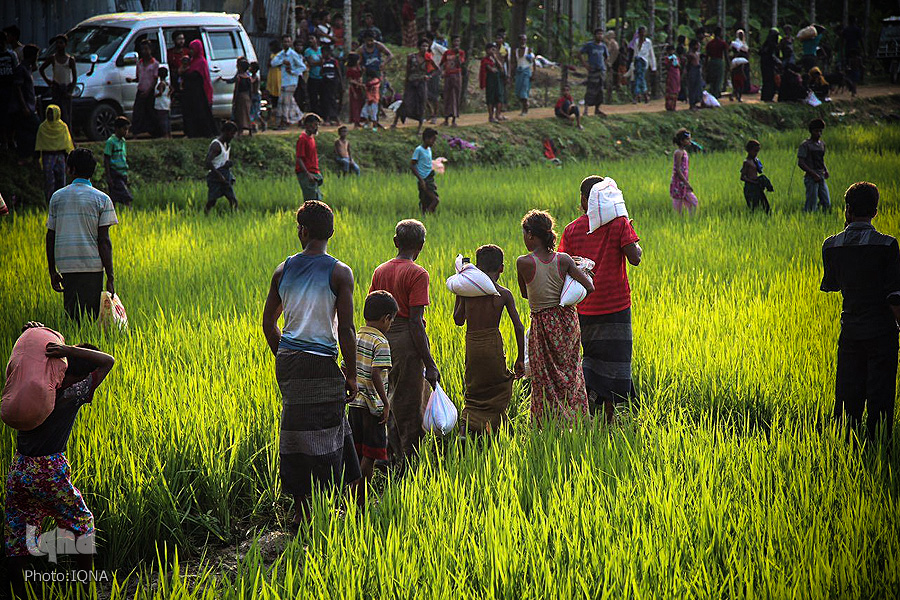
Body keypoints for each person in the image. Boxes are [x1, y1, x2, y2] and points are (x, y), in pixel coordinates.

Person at [261, 200, 361, 528]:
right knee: (327, 429)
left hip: (289, 361)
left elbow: (268, 323)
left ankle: (302, 508)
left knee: (296, 431)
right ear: (330, 232)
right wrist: (351, 372)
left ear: (303, 231)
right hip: (322, 362)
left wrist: (286, 355)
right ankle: (329, 504)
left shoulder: (283, 269)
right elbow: (346, 328)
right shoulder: (339, 272)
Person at [4, 326, 115, 598]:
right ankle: (86, 588)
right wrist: (67, 349)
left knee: (19, 530)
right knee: (81, 521)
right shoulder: (73, 393)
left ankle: (16, 591)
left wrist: (30, 336)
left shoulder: (33, 387)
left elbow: (27, 357)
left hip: (19, 470)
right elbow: (108, 361)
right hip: (48, 471)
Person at [559, 177, 643, 423]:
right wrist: (631, 232)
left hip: (584, 306)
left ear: (585, 201)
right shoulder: (619, 224)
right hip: (615, 305)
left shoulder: (572, 229)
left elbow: (564, 266)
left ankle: (588, 409)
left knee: (590, 356)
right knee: (615, 358)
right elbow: (635, 258)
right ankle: (609, 416)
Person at [821, 182, 900, 443]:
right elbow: (894, 297)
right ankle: (879, 448)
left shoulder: (831, 246)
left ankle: (845, 448)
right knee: (881, 395)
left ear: (848, 210)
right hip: (882, 332)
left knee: (847, 395)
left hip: (851, 331)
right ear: (876, 212)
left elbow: (831, 284)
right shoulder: (887, 245)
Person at [369, 219, 440, 465]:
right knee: (409, 403)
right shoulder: (418, 273)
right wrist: (429, 362)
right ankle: (408, 461)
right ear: (421, 245)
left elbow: (372, 309)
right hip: (407, 342)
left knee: (388, 397)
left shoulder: (380, 270)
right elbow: (415, 322)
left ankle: (388, 454)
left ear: (395, 242)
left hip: (383, 338)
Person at [516, 210, 594, 422]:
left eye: (524, 234)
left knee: (544, 376)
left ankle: (548, 423)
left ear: (531, 235)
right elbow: (589, 286)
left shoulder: (523, 262)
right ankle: (575, 419)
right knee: (571, 371)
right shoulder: (564, 260)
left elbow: (525, 293)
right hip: (567, 321)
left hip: (543, 322)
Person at [453, 245, 525, 436]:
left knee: (473, 389)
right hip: (493, 344)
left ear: (476, 266)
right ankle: (495, 429)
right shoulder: (504, 293)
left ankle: (465, 430)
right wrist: (520, 357)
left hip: (473, 345)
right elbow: (519, 326)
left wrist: (461, 292)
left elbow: (458, 320)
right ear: (501, 268)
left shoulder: (467, 293)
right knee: (499, 385)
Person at [46, 148, 118, 319]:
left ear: (70, 169)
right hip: (92, 265)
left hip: (66, 266)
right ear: (92, 170)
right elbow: (104, 241)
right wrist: (110, 276)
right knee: (92, 316)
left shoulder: (57, 197)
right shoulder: (102, 199)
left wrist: (52, 270)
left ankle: (72, 344)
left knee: (72, 316)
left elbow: (50, 236)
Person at [349, 290, 397, 500]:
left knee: (357, 452)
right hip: (373, 407)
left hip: (355, 405)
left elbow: (345, 367)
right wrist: (386, 404)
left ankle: (350, 494)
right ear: (386, 318)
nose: (391, 325)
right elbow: (376, 372)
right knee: (371, 454)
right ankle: (361, 497)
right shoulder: (381, 342)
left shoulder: (355, 337)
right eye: (391, 320)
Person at [35, 104, 74, 203]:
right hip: (47, 156)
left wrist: (68, 160)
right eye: (48, 113)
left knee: (61, 180)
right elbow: (39, 144)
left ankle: (62, 201)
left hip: (60, 156)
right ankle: (50, 201)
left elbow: (67, 144)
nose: (50, 116)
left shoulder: (63, 127)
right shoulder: (43, 128)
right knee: (49, 181)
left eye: (52, 113)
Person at [180, 40, 217, 138]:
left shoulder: (201, 62)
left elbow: (199, 77)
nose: (191, 51)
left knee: (202, 113)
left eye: (192, 49)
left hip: (200, 94)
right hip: (192, 94)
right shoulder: (192, 61)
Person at [393, 38, 431, 134]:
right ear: (419, 47)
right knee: (406, 102)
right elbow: (408, 71)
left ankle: (419, 128)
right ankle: (395, 122)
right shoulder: (411, 57)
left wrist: (429, 76)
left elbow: (436, 68)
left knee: (421, 104)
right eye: (423, 46)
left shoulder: (428, 58)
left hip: (421, 83)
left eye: (427, 46)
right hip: (411, 82)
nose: (425, 48)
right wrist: (406, 84)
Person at [270, 35, 306, 129]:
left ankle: (284, 122)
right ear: (282, 43)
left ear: (290, 43)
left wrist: (293, 71)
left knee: (283, 102)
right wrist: (282, 61)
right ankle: (300, 118)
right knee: (290, 102)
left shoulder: (293, 54)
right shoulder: (281, 54)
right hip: (283, 81)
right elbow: (273, 63)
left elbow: (303, 67)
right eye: (284, 42)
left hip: (292, 81)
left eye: (288, 42)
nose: (286, 43)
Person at [39, 35, 77, 124]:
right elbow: (41, 69)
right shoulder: (53, 58)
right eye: (57, 43)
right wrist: (48, 82)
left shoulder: (70, 59)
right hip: (56, 88)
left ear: (65, 44)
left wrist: (70, 91)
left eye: (61, 43)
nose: (59, 45)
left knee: (67, 115)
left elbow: (74, 78)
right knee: (56, 113)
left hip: (66, 88)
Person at [126, 39, 160, 137]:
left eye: (146, 49)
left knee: (151, 113)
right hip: (141, 90)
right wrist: (131, 80)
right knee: (137, 113)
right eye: (142, 49)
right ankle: (136, 133)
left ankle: (155, 132)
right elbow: (138, 78)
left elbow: (154, 80)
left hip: (149, 92)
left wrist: (148, 91)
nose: (144, 52)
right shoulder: (140, 63)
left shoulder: (155, 63)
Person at [12, 44, 39, 165]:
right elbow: (17, 89)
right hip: (24, 107)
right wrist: (24, 107)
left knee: (29, 131)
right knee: (27, 131)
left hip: (30, 106)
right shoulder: (21, 69)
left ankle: (31, 156)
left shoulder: (28, 68)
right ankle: (24, 156)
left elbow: (35, 68)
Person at [205, 121, 239, 214]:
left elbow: (221, 161)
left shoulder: (226, 144)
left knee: (233, 200)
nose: (233, 136)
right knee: (212, 201)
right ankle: (205, 216)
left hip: (224, 175)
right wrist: (219, 175)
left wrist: (228, 167)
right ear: (226, 132)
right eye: (232, 134)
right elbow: (208, 162)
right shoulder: (216, 145)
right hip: (215, 176)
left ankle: (235, 218)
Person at [797, 118, 830, 213]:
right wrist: (813, 174)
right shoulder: (805, 145)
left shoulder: (822, 144)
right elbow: (801, 163)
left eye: (820, 131)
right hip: (811, 178)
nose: (819, 133)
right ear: (811, 131)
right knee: (811, 204)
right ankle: (807, 219)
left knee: (826, 202)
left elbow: (821, 160)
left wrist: (825, 170)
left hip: (821, 176)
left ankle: (821, 219)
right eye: (816, 131)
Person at [104, 117, 133, 207]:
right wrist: (108, 176)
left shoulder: (123, 141)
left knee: (114, 197)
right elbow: (106, 159)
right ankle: (130, 212)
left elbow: (123, 156)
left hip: (122, 172)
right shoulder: (111, 142)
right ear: (117, 129)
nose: (126, 132)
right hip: (115, 173)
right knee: (126, 196)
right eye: (124, 129)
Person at [220, 57, 253, 136]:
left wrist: (234, 100)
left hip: (240, 97)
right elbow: (250, 90)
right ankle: (250, 129)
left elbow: (236, 89)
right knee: (247, 114)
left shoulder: (239, 77)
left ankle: (240, 131)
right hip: (247, 97)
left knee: (239, 114)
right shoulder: (249, 77)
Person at [580, 28, 610, 116]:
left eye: (601, 34)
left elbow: (606, 57)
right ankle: (586, 109)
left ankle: (597, 109)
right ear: (595, 35)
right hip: (593, 70)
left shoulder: (603, 46)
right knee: (590, 89)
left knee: (600, 90)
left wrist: (604, 66)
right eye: (598, 34)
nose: (600, 36)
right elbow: (579, 53)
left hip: (601, 71)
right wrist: (585, 65)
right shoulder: (590, 45)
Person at [670, 128, 699, 214]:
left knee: (693, 202)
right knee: (678, 207)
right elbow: (678, 169)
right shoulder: (678, 152)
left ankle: (691, 221)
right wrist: (687, 183)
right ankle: (678, 222)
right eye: (688, 139)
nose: (690, 141)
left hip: (683, 183)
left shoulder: (684, 152)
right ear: (682, 141)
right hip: (679, 183)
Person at [740, 139, 773, 214]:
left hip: (757, 187)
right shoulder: (746, 162)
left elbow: (759, 171)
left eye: (757, 151)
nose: (756, 153)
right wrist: (754, 182)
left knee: (765, 207)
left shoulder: (755, 160)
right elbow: (742, 177)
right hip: (750, 188)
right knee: (754, 208)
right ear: (749, 150)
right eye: (755, 151)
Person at [440, 35, 466, 127]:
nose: (456, 43)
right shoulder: (447, 53)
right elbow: (442, 63)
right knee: (447, 96)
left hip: (456, 76)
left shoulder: (461, 52)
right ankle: (446, 119)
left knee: (455, 96)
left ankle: (454, 119)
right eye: (455, 41)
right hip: (448, 76)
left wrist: (458, 55)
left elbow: (460, 63)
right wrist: (442, 71)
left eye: (458, 41)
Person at [296, 113, 323, 201]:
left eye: (317, 125)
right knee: (311, 202)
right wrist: (308, 174)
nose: (316, 127)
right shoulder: (303, 139)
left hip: (313, 172)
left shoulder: (311, 138)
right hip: (307, 174)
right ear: (307, 125)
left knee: (317, 200)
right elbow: (299, 158)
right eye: (315, 125)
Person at [411, 128, 439, 213]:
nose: (433, 142)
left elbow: (428, 165)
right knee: (435, 200)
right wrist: (421, 180)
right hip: (423, 179)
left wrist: (433, 182)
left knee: (426, 200)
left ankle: (426, 217)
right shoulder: (419, 150)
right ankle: (428, 214)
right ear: (426, 138)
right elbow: (412, 165)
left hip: (429, 177)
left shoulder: (429, 149)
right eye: (432, 140)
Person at [479, 43, 505, 123]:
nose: (493, 51)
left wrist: (495, 58)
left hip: (497, 80)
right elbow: (490, 69)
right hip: (490, 81)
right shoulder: (485, 60)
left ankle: (498, 114)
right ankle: (491, 116)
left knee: (499, 96)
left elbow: (501, 67)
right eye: (491, 49)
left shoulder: (495, 59)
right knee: (490, 98)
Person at [513, 33, 535, 116]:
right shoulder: (516, 51)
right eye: (522, 39)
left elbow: (533, 62)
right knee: (518, 91)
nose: (523, 41)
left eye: (524, 40)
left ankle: (525, 109)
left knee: (524, 90)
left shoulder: (528, 50)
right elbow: (516, 62)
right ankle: (524, 105)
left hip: (526, 72)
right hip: (519, 71)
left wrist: (533, 73)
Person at [320, 45, 342, 126]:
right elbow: (321, 72)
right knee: (326, 101)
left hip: (333, 83)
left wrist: (340, 83)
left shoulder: (334, 61)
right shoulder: (323, 62)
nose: (323, 54)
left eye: (324, 52)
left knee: (332, 100)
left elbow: (338, 72)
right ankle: (327, 118)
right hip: (325, 83)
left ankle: (336, 118)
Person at [705, 27, 728, 99]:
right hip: (719, 61)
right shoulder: (722, 43)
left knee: (712, 79)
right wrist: (728, 64)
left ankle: (712, 93)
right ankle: (716, 94)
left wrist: (705, 65)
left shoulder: (709, 44)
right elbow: (726, 55)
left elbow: (707, 55)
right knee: (718, 79)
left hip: (711, 61)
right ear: (720, 33)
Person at [304, 36, 324, 118]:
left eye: (312, 38)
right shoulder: (308, 51)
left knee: (323, 97)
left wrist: (318, 62)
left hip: (322, 77)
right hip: (313, 77)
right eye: (309, 39)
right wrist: (320, 62)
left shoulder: (321, 50)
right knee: (313, 97)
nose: (310, 40)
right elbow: (311, 63)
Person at [759, 28, 780, 103]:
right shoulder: (772, 45)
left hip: (764, 66)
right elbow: (772, 56)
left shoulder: (765, 44)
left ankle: (765, 97)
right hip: (770, 66)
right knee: (770, 82)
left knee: (766, 81)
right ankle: (768, 97)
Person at [265, 39, 282, 122]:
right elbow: (268, 64)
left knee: (277, 96)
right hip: (271, 76)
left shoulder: (281, 55)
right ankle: (271, 116)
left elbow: (273, 63)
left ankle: (277, 116)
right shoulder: (272, 54)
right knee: (270, 96)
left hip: (278, 76)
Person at [346, 53, 364, 128]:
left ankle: (359, 120)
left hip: (359, 88)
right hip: (354, 89)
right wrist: (358, 85)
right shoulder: (350, 70)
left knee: (360, 105)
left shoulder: (358, 68)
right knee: (355, 106)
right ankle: (355, 121)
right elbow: (350, 81)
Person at [155, 66, 172, 138]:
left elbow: (160, 92)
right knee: (167, 119)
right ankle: (169, 134)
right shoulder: (167, 83)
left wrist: (156, 95)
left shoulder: (161, 84)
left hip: (161, 103)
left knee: (162, 120)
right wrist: (168, 94)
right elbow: (172, 89)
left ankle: (165, 134)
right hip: (167, 102)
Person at [686, 39, 703, 110]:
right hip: (693, 69)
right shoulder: (690, 54)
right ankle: (692, 104)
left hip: (697, 69)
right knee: (692, 87)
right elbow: (688, 64)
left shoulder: (697, 53)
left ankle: (696, 102)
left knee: (697, 86)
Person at [663, 44, 680, 111]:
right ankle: (669, 106)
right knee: (670, 90)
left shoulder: (676, 58)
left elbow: (678, 66)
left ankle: (673, 106)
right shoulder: (667, 58)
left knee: (675, 90)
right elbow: (667, 67)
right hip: (670, 75)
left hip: (676, 75)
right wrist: (670, 62)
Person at [248, 61, 261, 132]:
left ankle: (254, 126)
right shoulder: (252, 76)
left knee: (254, 113)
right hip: (252, 96)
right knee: (253, 113)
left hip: (255, 97)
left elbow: (251, 81)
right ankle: (253, 126)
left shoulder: (255, 77)